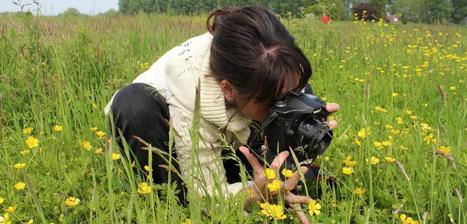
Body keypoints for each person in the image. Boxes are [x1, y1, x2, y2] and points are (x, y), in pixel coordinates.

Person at [105, 5, 339, 211]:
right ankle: (171, 201)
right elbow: (204, 193)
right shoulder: (190, 92)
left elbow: (278, 95)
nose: (286, 104)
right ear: (227, 89)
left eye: (292, 93)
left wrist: (306, 129)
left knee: (306, 178)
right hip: (160, 133)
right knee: (135, 105)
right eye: (275, 101)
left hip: (237, 120)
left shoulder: (263, 68)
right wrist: (256, 194)